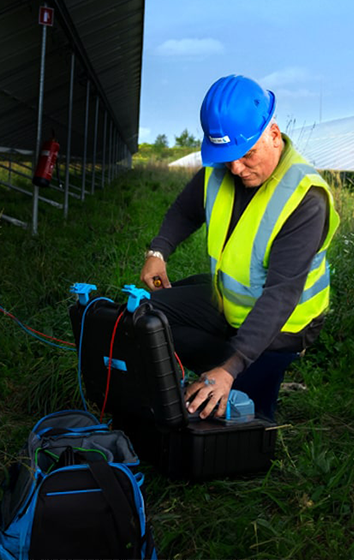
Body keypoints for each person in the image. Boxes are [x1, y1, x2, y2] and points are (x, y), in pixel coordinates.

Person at [139, 74, 339, 421]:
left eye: (247, 155)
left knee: (238, 419)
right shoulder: (222, 169)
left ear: (273, 134)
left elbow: (280, 297)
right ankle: (216, 368)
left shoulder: (306, 199)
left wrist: (230, 369)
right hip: (229, 304)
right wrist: (158, 252)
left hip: (282, 328)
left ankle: (237, 369)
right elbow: (185, 211)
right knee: (146, 316)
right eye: (226, 156)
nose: (235, 168)